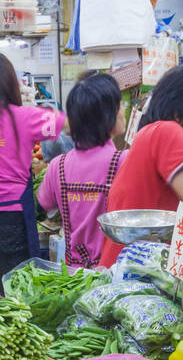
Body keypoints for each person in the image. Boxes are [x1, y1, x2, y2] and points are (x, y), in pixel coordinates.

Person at [99, 64, 183, 268]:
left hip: (125, 266)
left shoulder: (147, 133)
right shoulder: (168, 130)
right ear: (181, 111)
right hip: (136, 274)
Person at [0, 52, 66, 274]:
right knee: (17, 277)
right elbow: (66, 123)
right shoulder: (25, 116)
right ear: (10, 82)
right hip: (16, 210)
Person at [36, 73, 127, 267]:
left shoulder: (57, 166)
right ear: (107, 115)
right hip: (114, 272)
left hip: (73, 276)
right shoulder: (123, 162)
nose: (124, 111)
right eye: (120, 105)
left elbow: (45, 203)